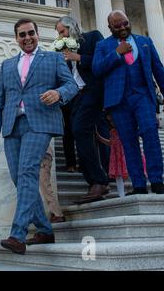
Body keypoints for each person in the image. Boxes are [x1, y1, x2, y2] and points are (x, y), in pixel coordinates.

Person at [0, 18, 78, 255]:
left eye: (31, 33)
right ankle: (45, 228)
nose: (27, 38)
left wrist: (58, 93)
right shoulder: (7, 65)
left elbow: (72, 85)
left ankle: (17, 234)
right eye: (21, 35)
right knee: (20, 180)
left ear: (38, 34)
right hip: (11, 126)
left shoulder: (53, 59)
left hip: (40, 124)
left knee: (28, 171)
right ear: (16, 38)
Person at [92, 10, 164, 195]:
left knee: (150, 133)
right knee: (129, 141)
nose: (123, 27)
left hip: (143, 96)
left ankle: (157, 180)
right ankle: (139, 185)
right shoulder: (103, 45)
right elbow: (96, 69)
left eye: (125, 23)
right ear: (110, 28)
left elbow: (158, 69)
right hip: (118, 101)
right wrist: (116, 53)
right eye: (118, 26)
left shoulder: (145, 42)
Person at [54, 16, 110, 204]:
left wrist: (78, 57)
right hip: (76, 97)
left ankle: (100, 180)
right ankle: (93, 181)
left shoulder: (93, 37)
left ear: (71, 27)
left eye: (62, 31)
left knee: (80, 130)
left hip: (93, 91)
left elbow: (105, 61)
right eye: (58, 33)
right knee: (78, 134)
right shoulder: (64, 51)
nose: (60, 36)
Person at [39, 142, 65, 223]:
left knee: (45, 187)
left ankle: (57, 214)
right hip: (42, 154)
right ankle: (55, 213)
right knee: (45, 187)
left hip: (42, 154)